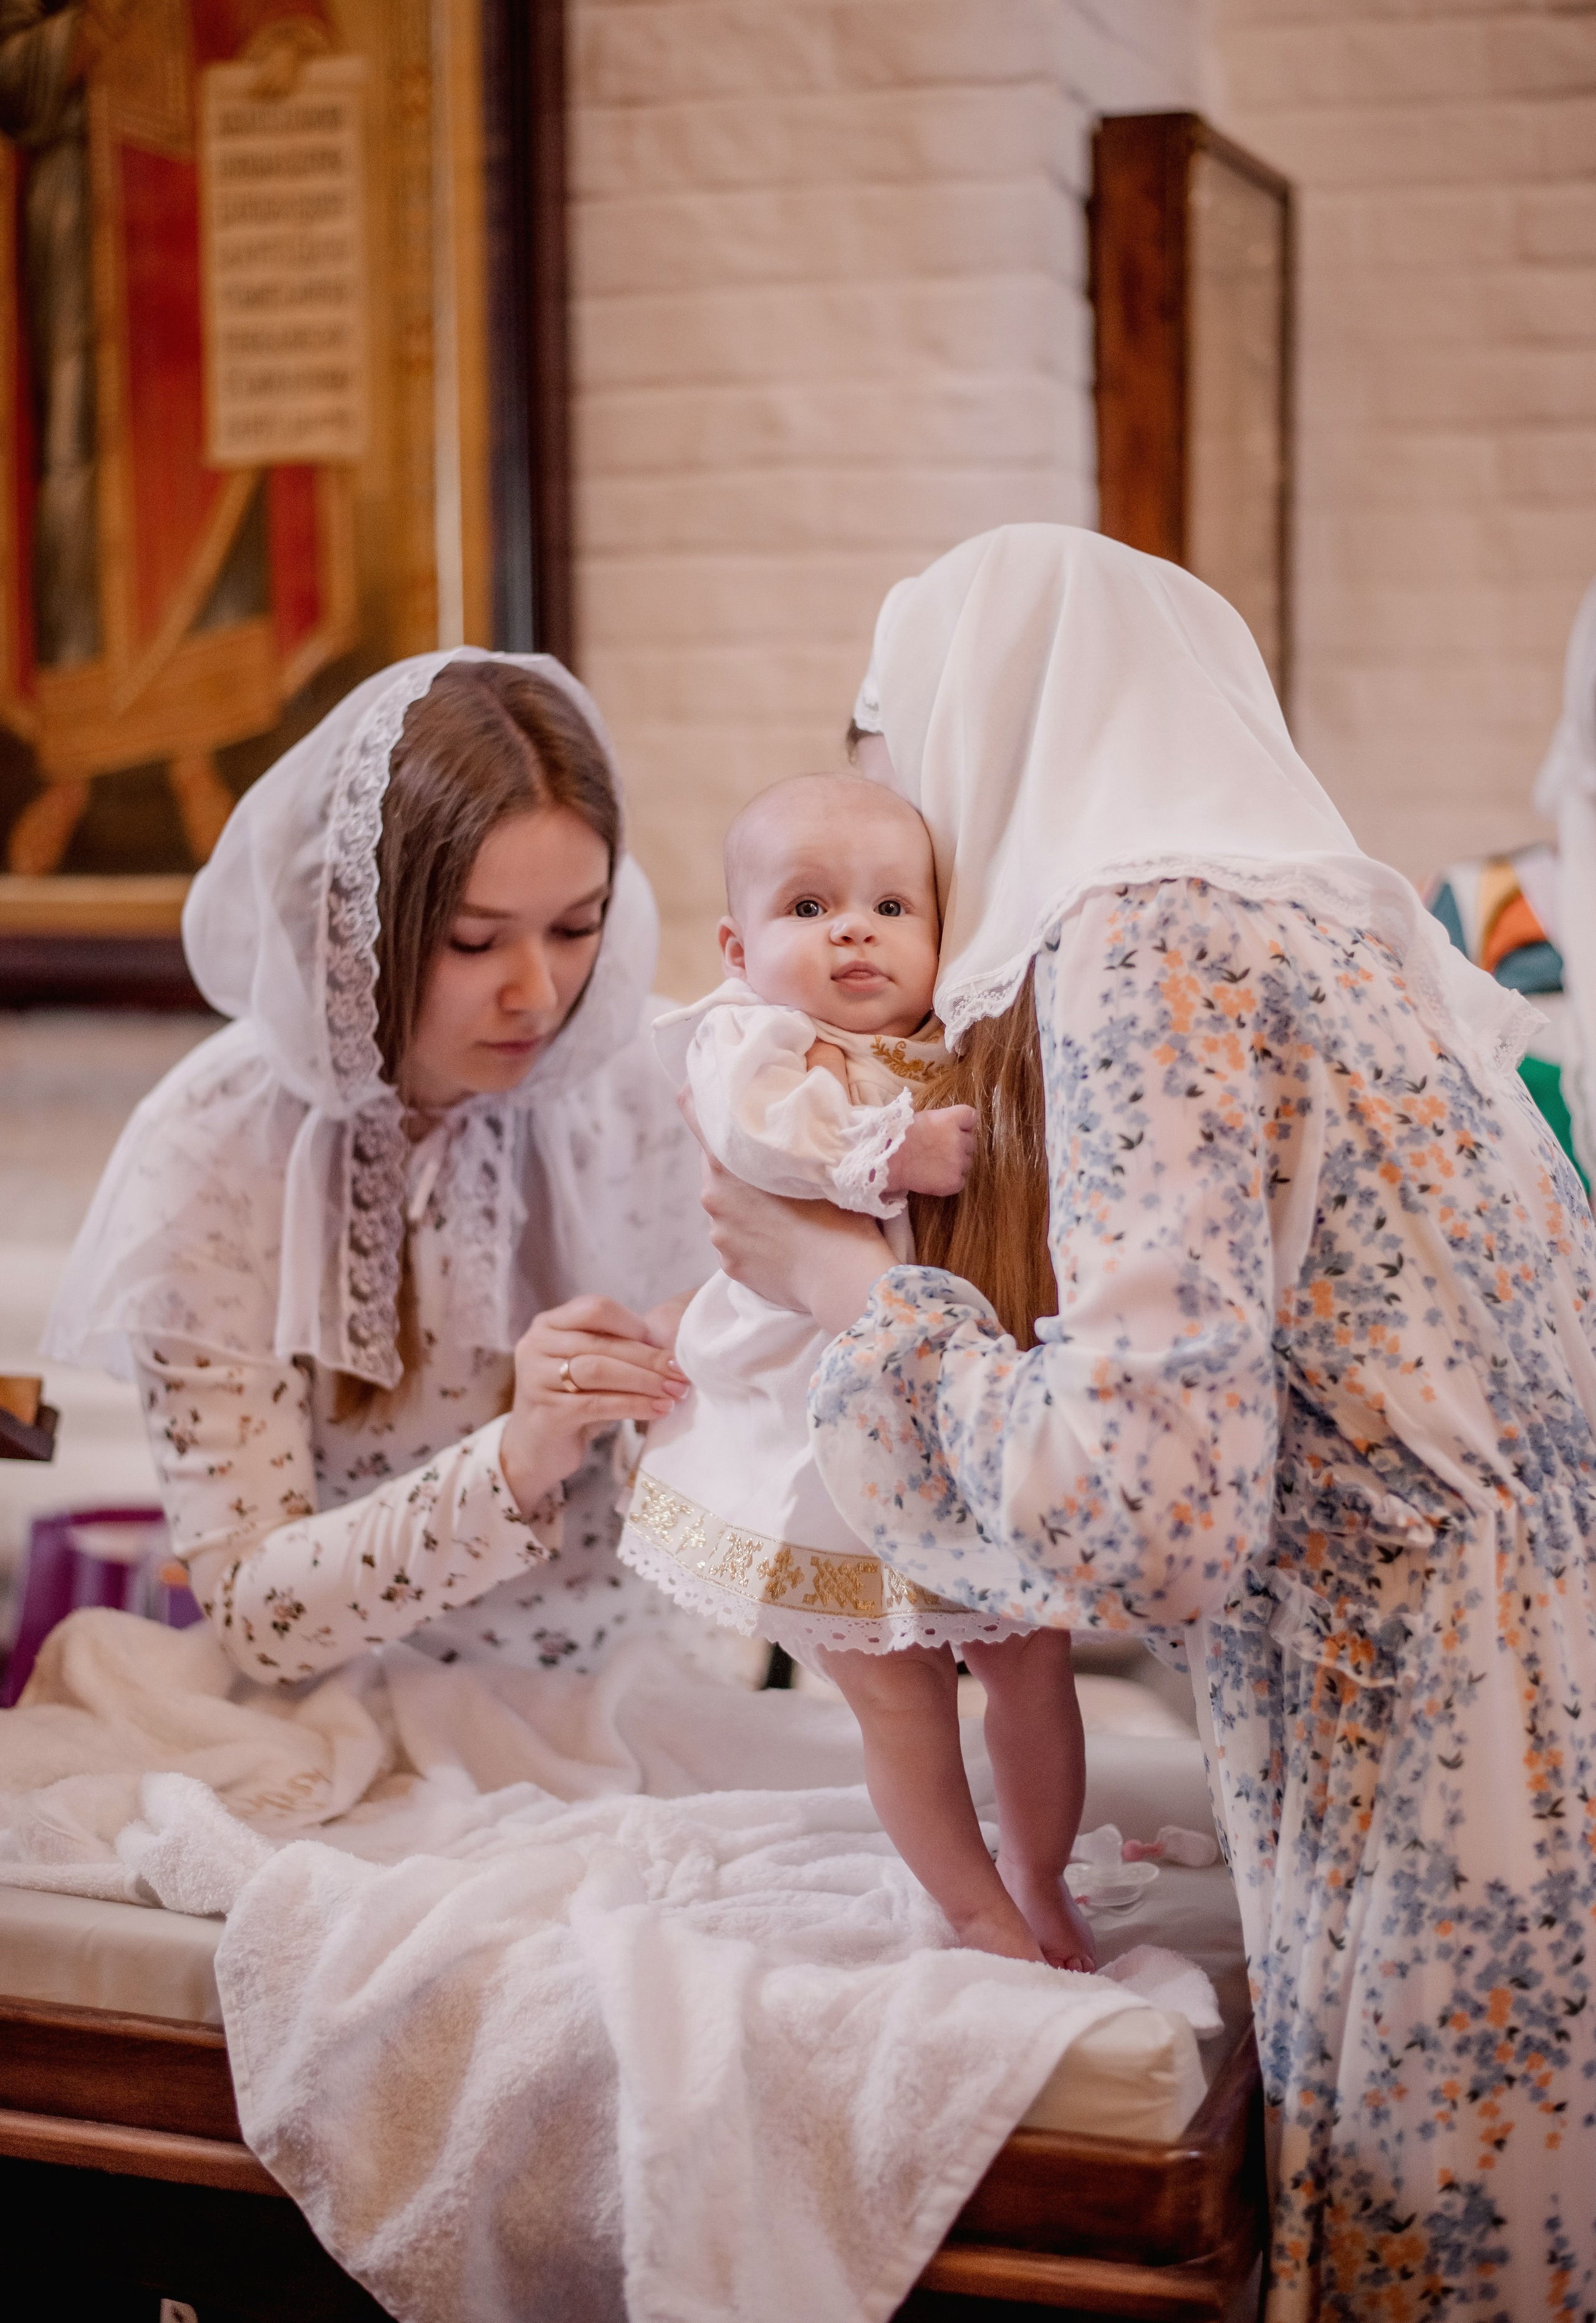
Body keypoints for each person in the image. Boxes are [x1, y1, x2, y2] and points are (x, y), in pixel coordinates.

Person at [695, 524, 1596, 2321]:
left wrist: (839, 1294)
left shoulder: (1140, 942)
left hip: (1441, 1745)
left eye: (898, 745)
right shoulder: (1346, 931)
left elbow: (1146, 1519)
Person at [43, 652, 719, 1683]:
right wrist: (518, 1455)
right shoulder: (216, 1148)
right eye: (473, 940)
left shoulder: (663, 1086)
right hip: (347, 1719)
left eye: (578, 926)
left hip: (644, 1690)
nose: (539, 993)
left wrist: (715, 1394)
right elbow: (252, 1616)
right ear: (364, 927)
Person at [619, 771, 1094, 1968]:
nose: (853, 930)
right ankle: (977, 1908)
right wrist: (893, 1149)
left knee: (1031, 1660)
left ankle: (1042, 1873)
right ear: (737, 945)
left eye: (893, 905)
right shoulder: (759, 1041)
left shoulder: (964, 1046)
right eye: (809, 905)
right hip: (812, 1430)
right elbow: (752, 1133)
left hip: (957, 1413)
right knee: (899, 1693)